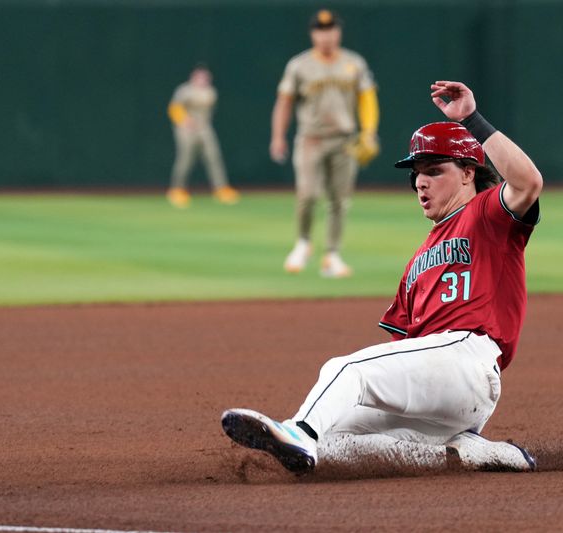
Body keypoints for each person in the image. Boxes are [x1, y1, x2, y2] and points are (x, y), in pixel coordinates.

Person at [222, 80, 543, 474]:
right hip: (442, 394)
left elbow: (528, 182)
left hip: (468, 360)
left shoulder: (487, 214)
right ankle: (465, 453)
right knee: (334, 440)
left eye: (433, 171)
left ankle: (298, 432)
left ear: (467, 173)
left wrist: (471, 121)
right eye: (416, 175)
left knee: (346, 370)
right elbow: (401, 351)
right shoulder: (416, 264)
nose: (420, 182)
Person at [271, 9, 380, 278]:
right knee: (307, 195)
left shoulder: (354, 62)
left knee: (339, 201)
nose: (326, 34)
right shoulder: (299, 65)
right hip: (311, 139)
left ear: (338, 32)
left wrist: (369, 132)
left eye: (331, 29)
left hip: (344, 140)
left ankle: (332, 255)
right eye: (321, 30)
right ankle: (303, 242)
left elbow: (367, 99)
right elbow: (284, 102)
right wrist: (278, 136)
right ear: (313, 34)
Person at [166, 65, 240, 208]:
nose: (203, 80)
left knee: (214, 157)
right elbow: (174, 108)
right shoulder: (185, 90)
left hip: (204, 128)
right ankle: (177, 190)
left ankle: (221, 189)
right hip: (186, 129)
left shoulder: (210, 92)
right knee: (185, 158)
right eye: (200, 77)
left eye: (206, 77)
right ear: (193, 77)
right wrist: (185, 120)